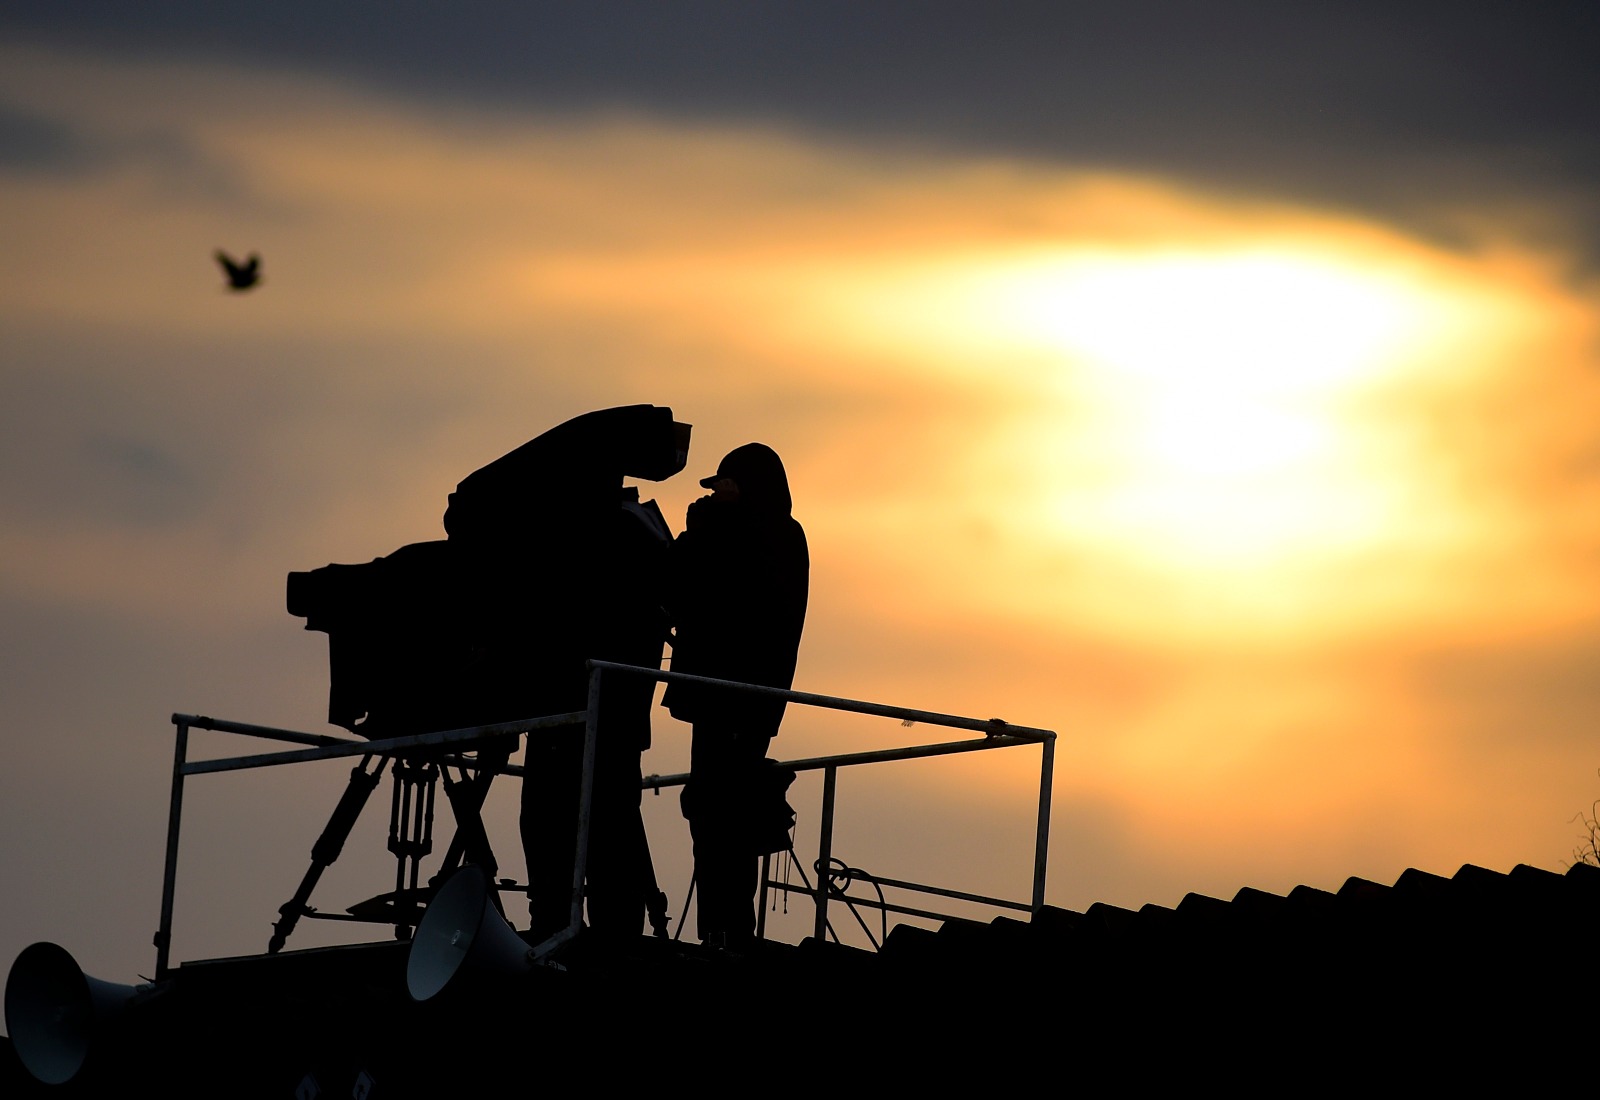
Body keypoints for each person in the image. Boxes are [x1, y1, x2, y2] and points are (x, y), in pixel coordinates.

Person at [663, 443, 809, 948]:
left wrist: (708, 523)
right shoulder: (769, 536)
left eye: (727, 487)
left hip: (735, 700)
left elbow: (715, 585)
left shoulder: (770, 538)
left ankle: (728, 932)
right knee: (714, 810)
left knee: (723, 813)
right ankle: (720, 930)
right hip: (727, 701)